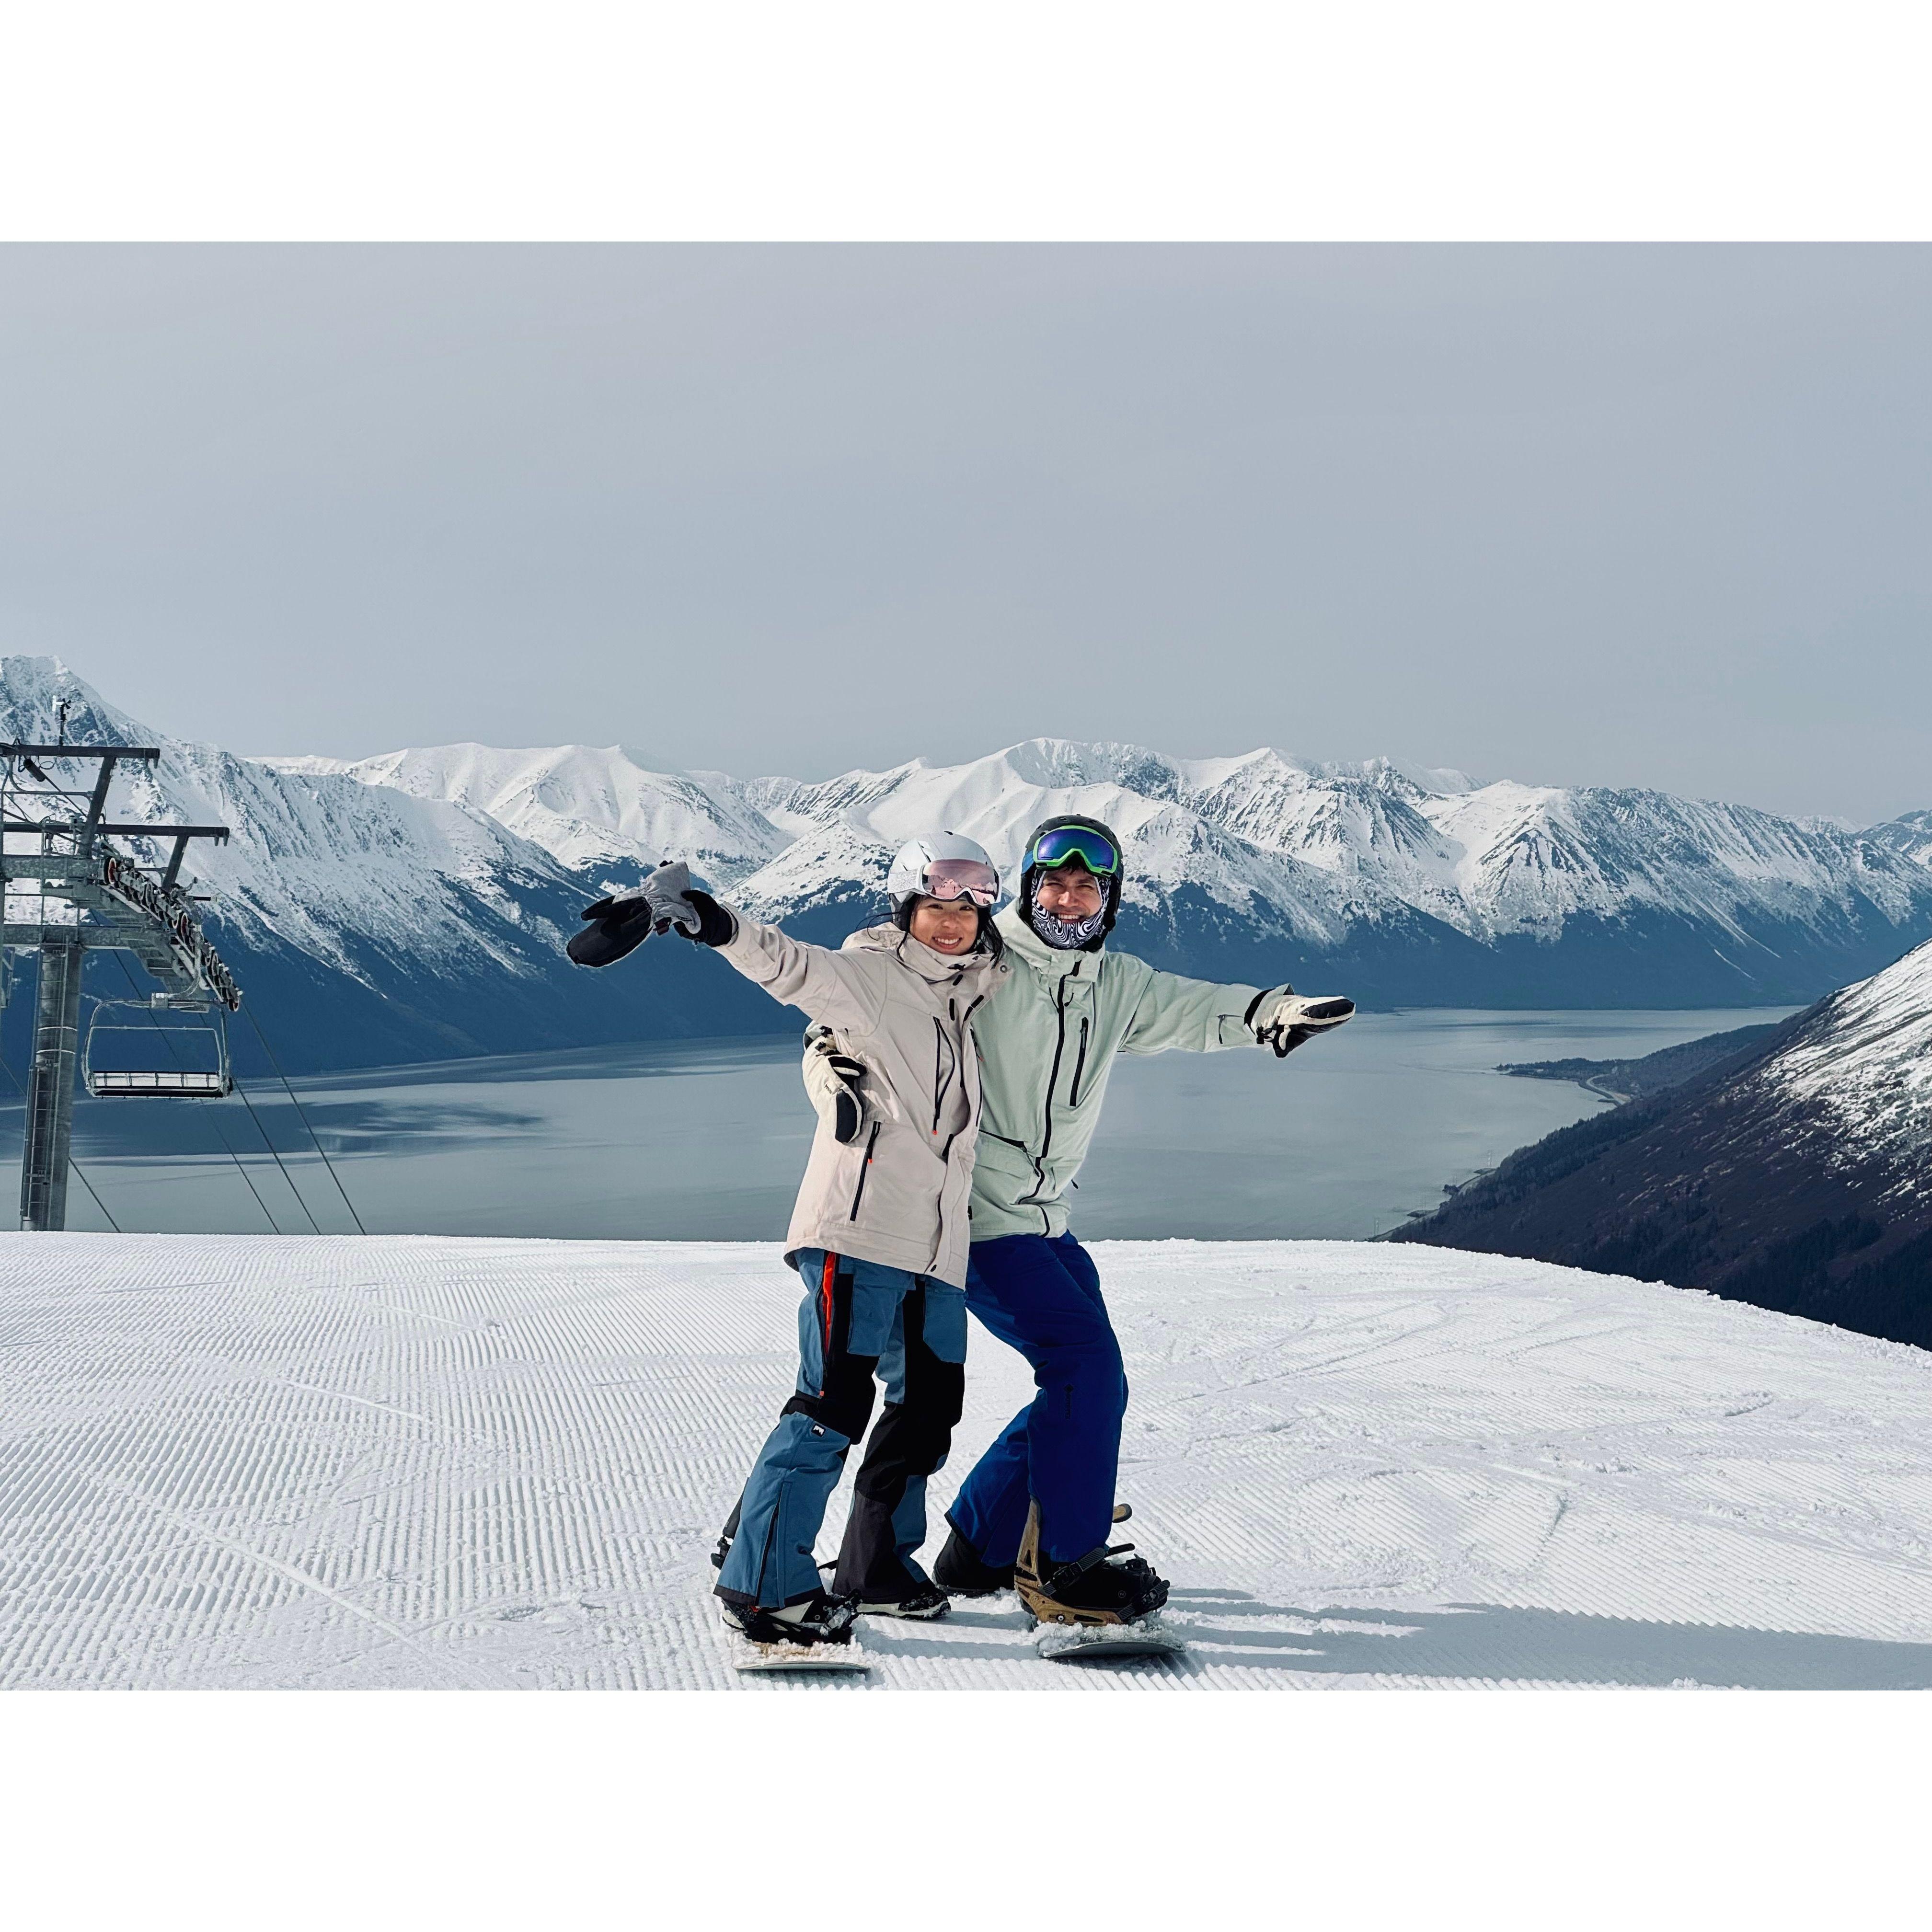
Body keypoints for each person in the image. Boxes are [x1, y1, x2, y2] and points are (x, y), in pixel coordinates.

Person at [805, 815, 1354, 1632]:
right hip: (977, 1216)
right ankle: (1064, 1565)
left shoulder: (1115, 982)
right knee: (1084, 1369)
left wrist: (1271, 1012)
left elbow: (1195, 1008)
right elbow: (864, 994)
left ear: (1110, 899)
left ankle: (980, 1546)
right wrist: (831, 1068)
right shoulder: (982, 965)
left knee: (1090, 1383)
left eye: (1087, 885)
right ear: (1029, 890)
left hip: (1048, 1218)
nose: (1069, 896)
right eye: (1054, 883)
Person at [570, 833, 1006, 1658]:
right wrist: (702, 917)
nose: (950, 926)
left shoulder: (979, 989)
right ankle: (763, 1585)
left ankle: (874, 1569)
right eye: (935, 909)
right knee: (830, 1408)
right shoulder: (872, 979)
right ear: (905, 909)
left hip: (938, 1243)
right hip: (860, 1227)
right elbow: (787, 964)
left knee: (927, 1411)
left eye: (966, 910)